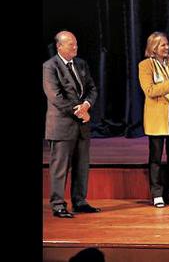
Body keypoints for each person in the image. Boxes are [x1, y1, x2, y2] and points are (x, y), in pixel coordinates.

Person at [43, 30, 100, 218]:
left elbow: (92, 88)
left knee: (82, 165)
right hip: (62, 125)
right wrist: (79, 112)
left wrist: (87, 105)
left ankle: (80, 201)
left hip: (81, 126)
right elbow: (55, 97)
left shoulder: (81, 64)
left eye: (75, 43)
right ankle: (58, 204)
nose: (75, 47)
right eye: (70, 44)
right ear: (59, 46)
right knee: (60, 168)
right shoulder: (50, 67)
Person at [138, 32, 169, 208]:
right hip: (157, 118)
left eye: (167, 44)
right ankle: (157, 193)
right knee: (156, 158)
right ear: (153, 48)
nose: (167, 48)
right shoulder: (145, 65)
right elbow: (150, 91)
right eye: (162, 45)